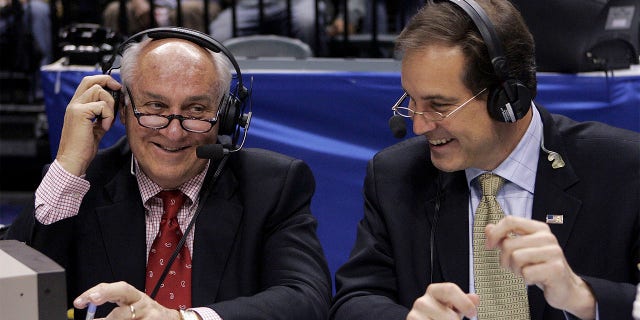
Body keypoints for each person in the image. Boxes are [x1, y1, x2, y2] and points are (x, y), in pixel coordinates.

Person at [330, 0, 640, 319]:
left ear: (507, 98)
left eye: (439, 105)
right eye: (412, 100)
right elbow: (354, 300)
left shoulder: (623, 169)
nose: (419, 126)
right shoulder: (396, 177)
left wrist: (582, 296)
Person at [7, 27, 331, 320]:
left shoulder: (273, 185)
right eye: (155, 107)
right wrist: (68, 163)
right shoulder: (81, 183)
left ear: (226, 116)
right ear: (121, 108)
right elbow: (14, 292)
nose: (173, 133)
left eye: (196, 111)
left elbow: (306, 299)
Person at [209, 0, 327, 55]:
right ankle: (223, 84)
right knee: (221, 34)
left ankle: (316, 73)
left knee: (307, 21)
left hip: (298, 2)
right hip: (249, 5)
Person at [103, 0, 221, 35]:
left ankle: (196, 57)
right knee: (115, 10)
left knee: (187, 11)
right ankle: (117, 60)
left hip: (198, 4)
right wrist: (138, 2)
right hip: (152, 4)